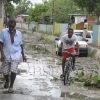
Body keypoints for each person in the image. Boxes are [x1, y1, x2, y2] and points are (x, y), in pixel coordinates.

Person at [0, 20, 26, 93]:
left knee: (13, 70)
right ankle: (7, 80)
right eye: (10, 26)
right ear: (8, 25)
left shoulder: (19, 34)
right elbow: (1, 43)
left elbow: (21, 45)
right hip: (6, 54)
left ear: (15, 26)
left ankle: (11, 86)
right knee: (5, 72)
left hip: (16, 54)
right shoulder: (3, 32)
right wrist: (2, 53)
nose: (11, 27)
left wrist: (23, 56)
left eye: (12, 26)